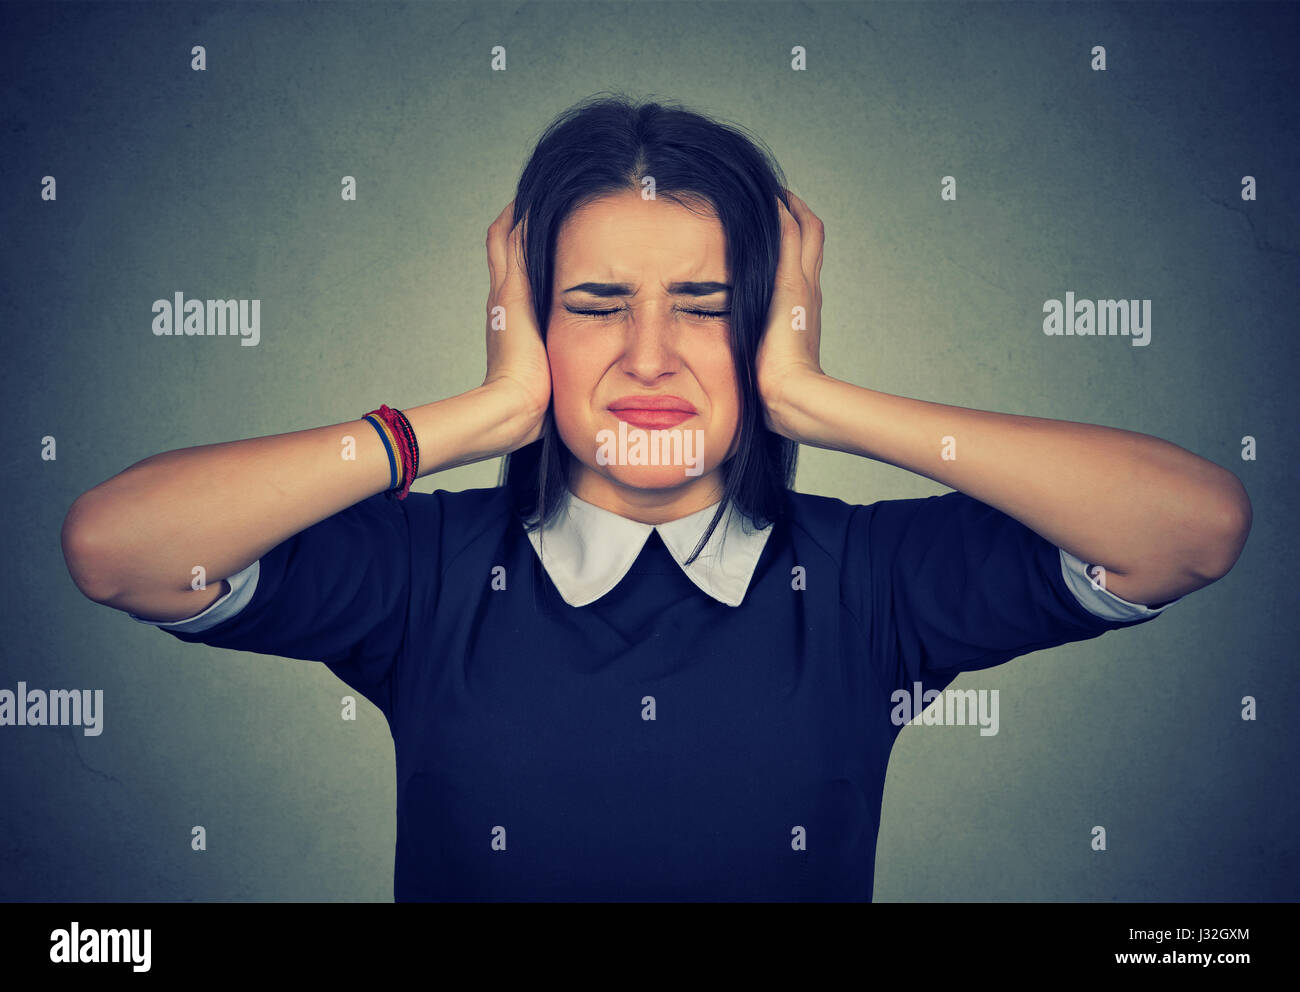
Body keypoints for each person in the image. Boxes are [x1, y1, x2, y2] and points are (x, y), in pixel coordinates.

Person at [60, 95, 1251, 901]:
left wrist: (814, 399)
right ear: (528, 321)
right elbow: (121, 548)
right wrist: (480, 414)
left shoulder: (868, 581)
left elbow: (1190, 530)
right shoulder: (425, 570)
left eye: (704, 304)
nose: (647, 357)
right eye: (593, 304)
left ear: (766, 323)